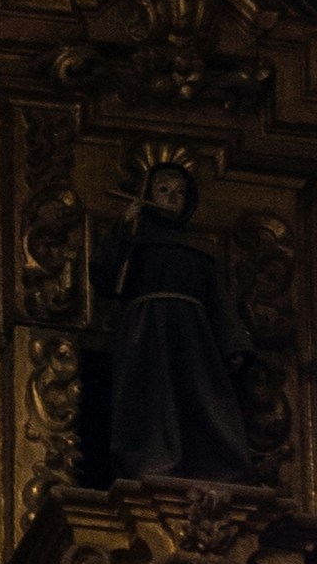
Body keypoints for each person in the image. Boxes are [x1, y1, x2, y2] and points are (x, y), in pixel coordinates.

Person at [90, 168, 257, 482]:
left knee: (197, 399)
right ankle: (151, 463)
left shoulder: (199, 254)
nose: (171, 198)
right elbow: (105, 277)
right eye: (163, 190)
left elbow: (218, 303)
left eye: (179, 192)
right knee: (150, 400)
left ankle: (207, 466)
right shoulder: (135, 241)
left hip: (192, 340)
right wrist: (124, 229)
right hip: (147, 334)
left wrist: (234, 343)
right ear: (148, 195)